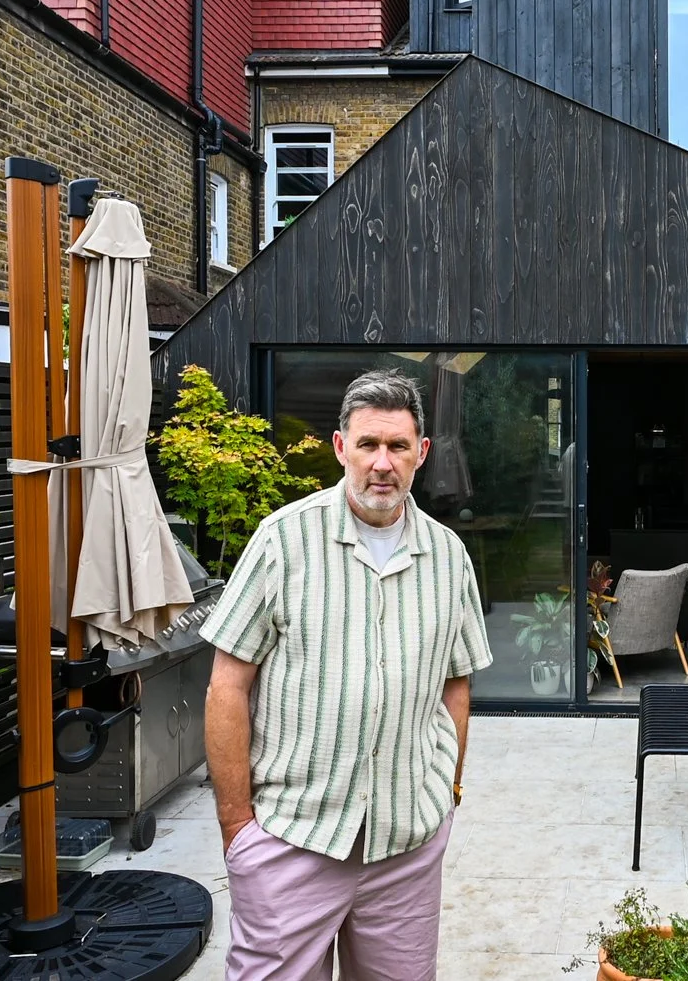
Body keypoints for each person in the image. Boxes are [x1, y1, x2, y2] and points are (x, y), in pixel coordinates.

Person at [201, 367, 492, 980]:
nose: (382, 463)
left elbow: (456, 682)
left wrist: (449, 792)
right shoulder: (283, 541)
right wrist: (237, 829)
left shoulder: (448, 556)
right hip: (293, 840)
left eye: (397, 446)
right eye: (368, 445)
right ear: (341, 448)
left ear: (421, 454)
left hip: (405, 849)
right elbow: (228, 684)